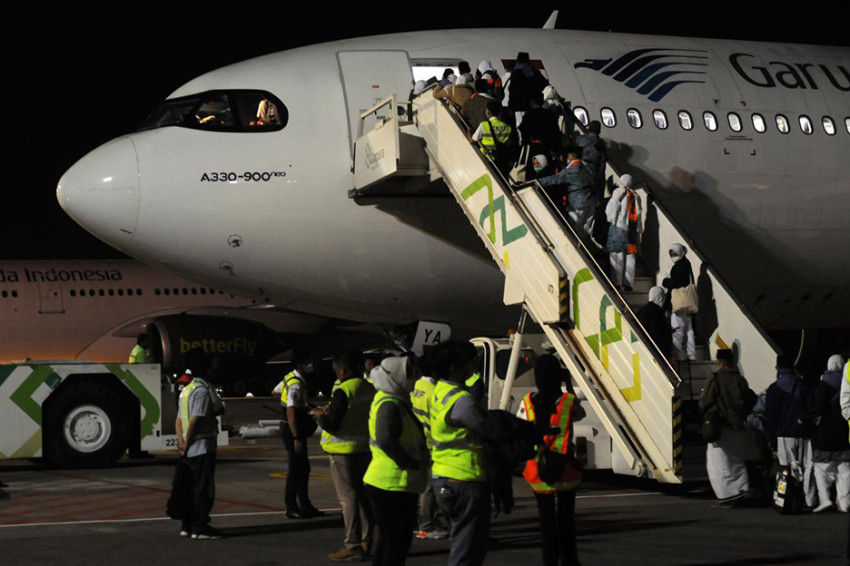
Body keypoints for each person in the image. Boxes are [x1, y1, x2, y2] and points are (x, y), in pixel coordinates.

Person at [430, 341, 506, 566]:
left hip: (443, 475)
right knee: (468, 553)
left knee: (461, 543)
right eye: (470, 361)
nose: (474, 366)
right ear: (454, 367)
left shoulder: (441, 391)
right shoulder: (461, 401)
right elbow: (489, 429)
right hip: (465, 478)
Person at [517, 354, 584, 566]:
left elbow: (521, 427)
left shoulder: (527, 402)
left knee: (546, 525)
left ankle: (550, 562)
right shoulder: (568, 402)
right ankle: (570, 562)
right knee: (566, 524)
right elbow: (579, 414)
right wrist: (569, 385)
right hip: (565, 470)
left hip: (538, 471)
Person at [364, 356, 428, 566]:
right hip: (392, 483)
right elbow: (385, 439)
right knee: (396, 544)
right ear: (395, 379)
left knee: (389, 542)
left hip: (395, 482)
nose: (413, 379)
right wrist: (407, 462)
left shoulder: (392, 399)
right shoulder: (389, 404)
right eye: (408, 375)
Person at [315, 350, 376, 562]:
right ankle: (368, 539)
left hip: (343, 452)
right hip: (365, 449)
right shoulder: (370, 388)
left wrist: (321, 416)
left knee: (348, 498)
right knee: (363, 496)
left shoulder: (343, 390)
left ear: (342, 370)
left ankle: (353, 544)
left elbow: (333, 424)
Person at [170, 348, 224, 539]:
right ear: (207, 369)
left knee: (188, 488)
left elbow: (178, 421)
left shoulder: (186, 390)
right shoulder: (201, 391)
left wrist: (181, 443)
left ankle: (188, 525)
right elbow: (195, 420)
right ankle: (201, 527)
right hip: (200, 447)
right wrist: (188, 443)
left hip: (187, 449)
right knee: (203, 489)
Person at [699, 349, 754, 505]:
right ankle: (743, 489)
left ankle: (727, 494)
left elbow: (704, 402)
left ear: (719, 362)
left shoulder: (714, 378)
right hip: (737, 425)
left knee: (718, 462)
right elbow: (749, 400)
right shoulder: (740, 379)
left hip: (719, 426)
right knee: (736, 458)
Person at [272, 350, 322, 519]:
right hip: (293, 430)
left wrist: (302, 404)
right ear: (301, 365)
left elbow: (276, 391)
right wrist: (296, 438)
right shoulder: (295, 385)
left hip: (291, 428)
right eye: (308, 362)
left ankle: (305, 505)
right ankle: (292, 507)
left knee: (303, 468)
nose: (311, 365)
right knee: (296, 469)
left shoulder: (290, 378)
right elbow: (291, 412)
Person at [765, 354, 817, 509]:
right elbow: (812, 410)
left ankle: (786, 499)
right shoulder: (803, 385)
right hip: (804, 433)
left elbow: (770, 417)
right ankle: (809, 500)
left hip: (783, 434)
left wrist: (769, 437)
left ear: (778, 368)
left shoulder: (773, 389)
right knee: (808, 468)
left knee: (785, 469)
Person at [410, 354, 448, 540]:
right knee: (429, 489)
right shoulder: (435, 391)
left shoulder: (417, 386)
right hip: (432, 444)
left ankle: (425, 522)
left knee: (424, 487)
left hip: (419, 441)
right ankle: (426, 525)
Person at [809, 355, 850, 513]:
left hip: (826, 432)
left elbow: (818, 408)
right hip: (844, 431)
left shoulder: (823, 384)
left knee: (821, 468)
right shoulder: (847, 380)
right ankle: (844, 502)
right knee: (845, 469)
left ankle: (825, 498)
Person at [537, 146, 596, 236]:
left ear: (571, 156)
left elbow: (555, 179)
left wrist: (536, 182)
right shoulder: (588, 168)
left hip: (578, 204)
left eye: (568, 156)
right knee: (587, 231)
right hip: (592, 202)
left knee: (574, 231)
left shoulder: (573, 169)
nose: (567, 158)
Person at [605, 174, 642, 290]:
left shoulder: (619, 192)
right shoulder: (636, 195)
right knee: (630, 256)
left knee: (617, 256)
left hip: (619, 228)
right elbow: (639, 213)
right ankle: (628, 283)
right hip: (632, 229)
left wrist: (612, 220)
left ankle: (617, 283)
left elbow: (612, 207)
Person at [662, 243, 696, 361]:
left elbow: (676, 283)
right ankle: (691, 354)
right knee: (689, 329)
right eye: (671, 253)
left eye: (674, 253)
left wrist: (665, 281)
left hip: (679, 303)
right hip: (688, 301)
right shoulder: (687, 264)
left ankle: (678, 356)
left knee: (677, 329)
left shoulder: (679, 266)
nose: (673, 255)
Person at [506, 51, 549, 140]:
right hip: (533, 104)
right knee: (533, 125)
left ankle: (524, 144)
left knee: (520, 127)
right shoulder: (534, 71)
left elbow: (513, 92)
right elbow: (545, 83)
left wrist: (511, 106)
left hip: (519, 106)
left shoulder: (516, 73)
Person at [470, 100, 513, 175]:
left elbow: (473, 141)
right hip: (502, 158)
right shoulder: (507, 127)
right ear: (499, 112)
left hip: (486, 158)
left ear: (488, 112)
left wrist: (468, 132)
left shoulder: (484, 125)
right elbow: (509, 144)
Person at [518, 92, 561, 157]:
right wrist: (558, 151)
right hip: (549, 147)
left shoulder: (528, 116)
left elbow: (524, 132)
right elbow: (556, 133)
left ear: (533, 102)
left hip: (534, 147)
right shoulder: (550, 114)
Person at [636, 286, 673, 361]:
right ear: (660, 297)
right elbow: (659, 334)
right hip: (656, 352)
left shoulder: (641, 311)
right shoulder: (657, 313)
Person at [575, 120, 607, 199]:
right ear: (599, 130)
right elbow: (602, 163)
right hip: (592, 170)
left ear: (589, 128)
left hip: (579, 167)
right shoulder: (600, 143)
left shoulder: (580, 139)